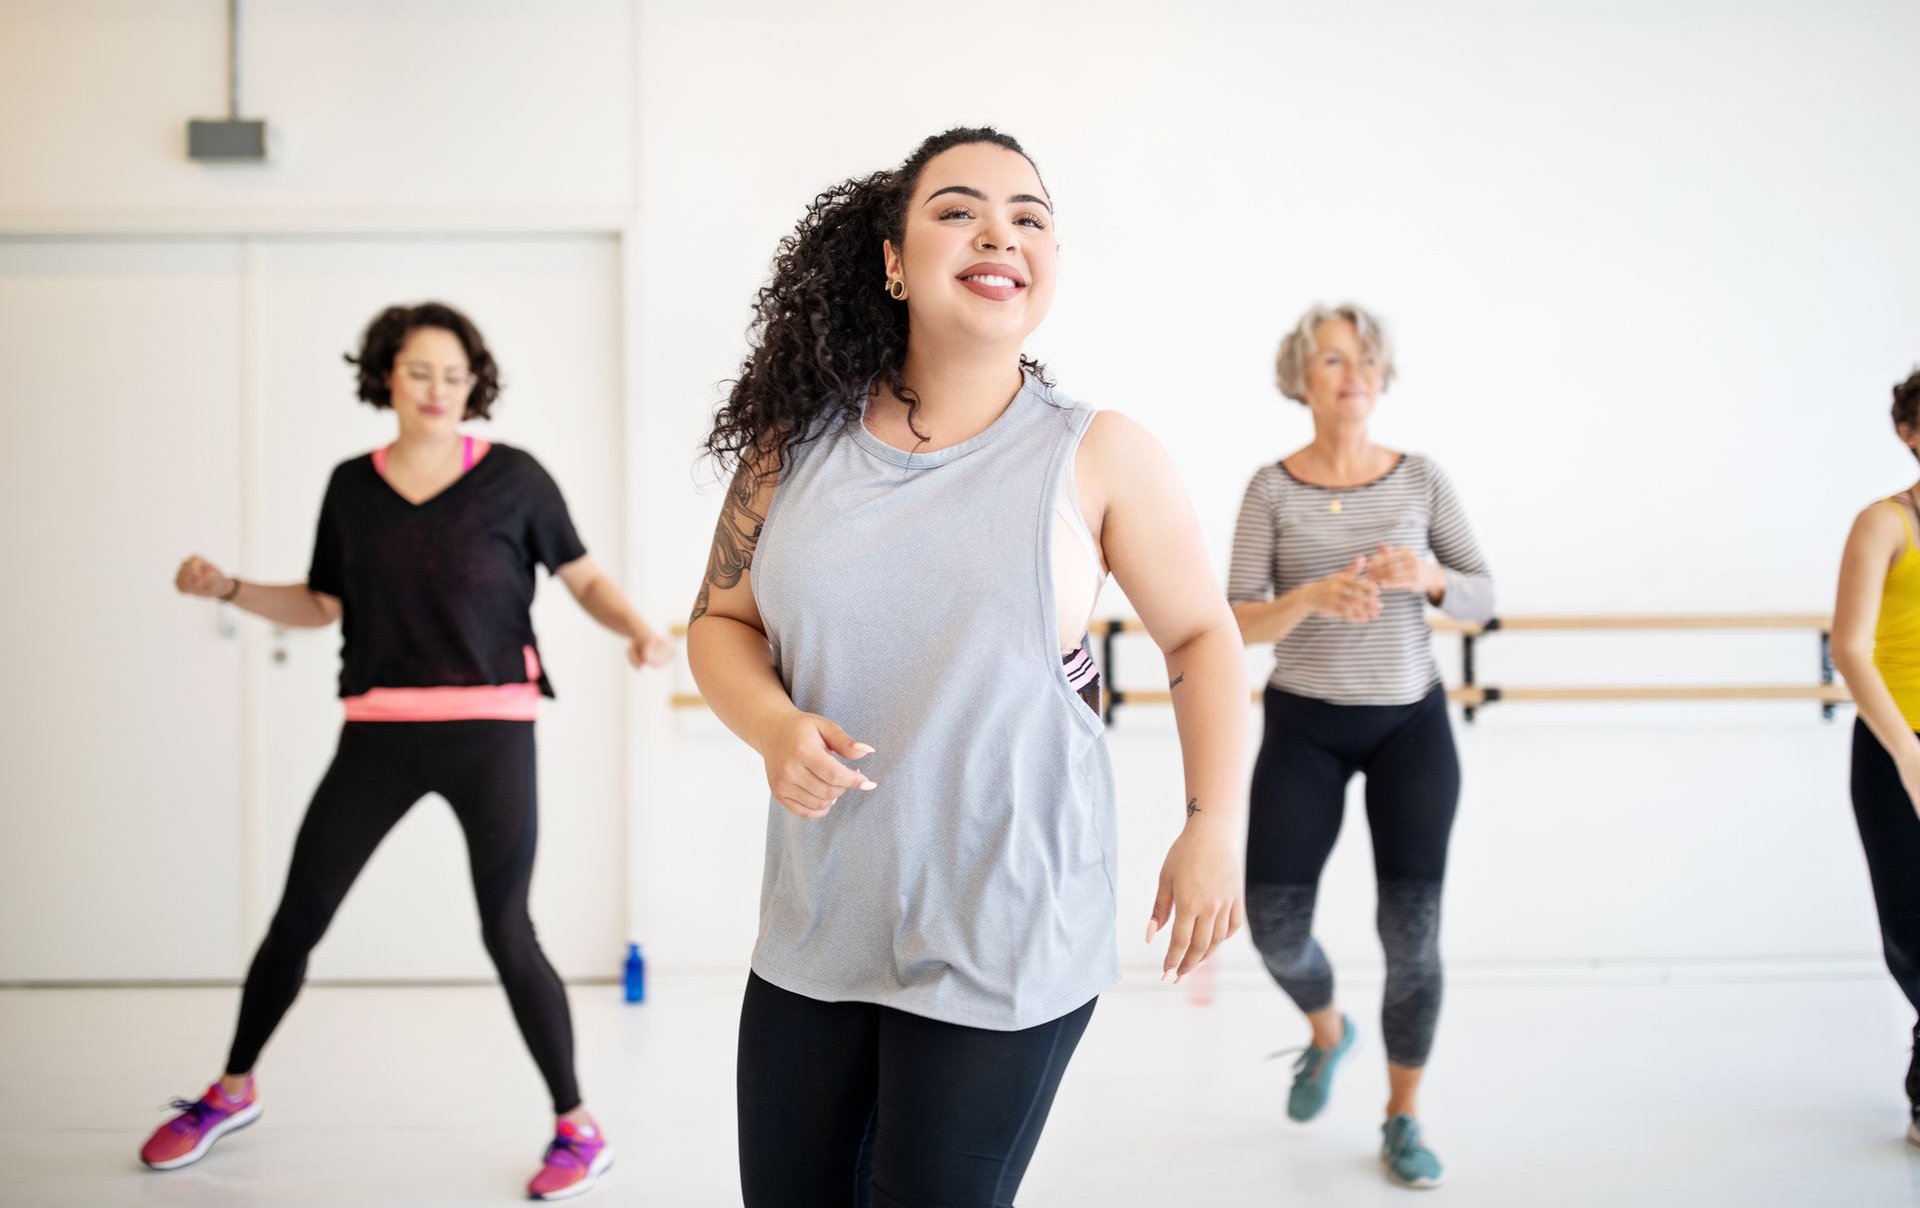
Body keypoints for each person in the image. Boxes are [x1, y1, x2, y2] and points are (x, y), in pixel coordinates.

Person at [686, 126, 1248, 1207]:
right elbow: (721, 624)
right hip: (818, 927)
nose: (1001, 231)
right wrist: (771, 725)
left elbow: (1201, 638)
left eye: (1029, 216)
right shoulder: (788, 449)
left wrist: (1213, 821)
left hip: (1008, 929)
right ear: (893, 262)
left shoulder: (1099, 453)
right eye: (958, 208)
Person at [140, 301, 672, 1201]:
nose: (438, 388)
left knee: (508, 927)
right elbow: (320, 604)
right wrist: (228, 587)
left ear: (475, 385)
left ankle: (578, 1128)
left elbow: (582, 575)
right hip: (379, 733)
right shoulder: (351, 484)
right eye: (420, 370)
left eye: (455, 374)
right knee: (298, 917)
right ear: (387, 373)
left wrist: (637, 628)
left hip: (491, 730)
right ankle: (231, 1090)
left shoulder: (516, 478)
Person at [1227, 302, 1494, 1189]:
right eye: (1336, 359)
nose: (1356, 373)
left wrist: (1432, 576)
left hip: (1409, 724)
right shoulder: (1271, 487)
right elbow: (1231, 620)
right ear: (1301, 378)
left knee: (1411, 938)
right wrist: (1307, 598)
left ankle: (1403, 1114)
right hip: (1304, 723)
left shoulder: (1420, 479)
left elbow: (1484, 597)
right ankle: (1328, 1031)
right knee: (1272, 925)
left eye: (1368, 358)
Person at [1830, 365, 1920, 1150]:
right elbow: (1850, 649)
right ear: (1909, 432)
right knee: (1914, 925)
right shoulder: (1885, 523)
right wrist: (1909, 755)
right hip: (1898, 743)